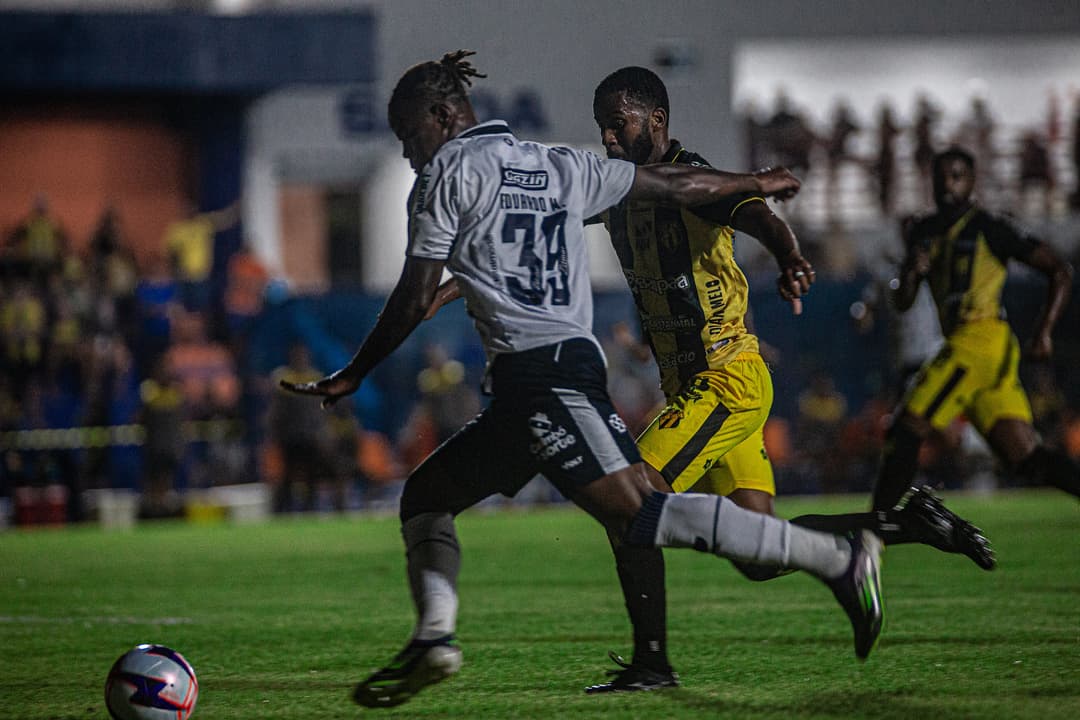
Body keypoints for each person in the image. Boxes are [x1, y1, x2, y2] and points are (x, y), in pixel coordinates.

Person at [280, 50, 884, 709]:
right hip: (530, 387)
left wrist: (354, 373)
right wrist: (758, 179)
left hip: (555, 380)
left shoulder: (446, 174)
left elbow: (411, 292)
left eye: (408, 135)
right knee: (425, 496)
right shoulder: (559, 165)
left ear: (444, 115)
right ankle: (435, 637)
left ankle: (838, 559)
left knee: (643, 512)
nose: (407, 154)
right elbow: (677, 187)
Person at [577, 67, 993, 693]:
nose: (607, 139)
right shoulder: (616, 186)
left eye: (619, 125)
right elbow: (548, 207)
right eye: (601, 128)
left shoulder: (697, 179)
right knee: (759, 556)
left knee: (628, 498)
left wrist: (790, 252)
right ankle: (907, 525)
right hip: (699, 389)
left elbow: (755, 212)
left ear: (656, 121)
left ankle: (652, 662)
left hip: (724, 381)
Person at [877, 146, 1078, 516]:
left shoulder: (990, 227)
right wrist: (909, 273)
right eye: (940, 176)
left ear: (972, 181)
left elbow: (1059, 270)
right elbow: (903, 301)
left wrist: (1044, 331)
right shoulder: (923, 230)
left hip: (980, 339)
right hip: (966, 345)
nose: (947, 184)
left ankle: (873, 534)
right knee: (1025, 458)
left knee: (906, 430)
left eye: (956, 175)